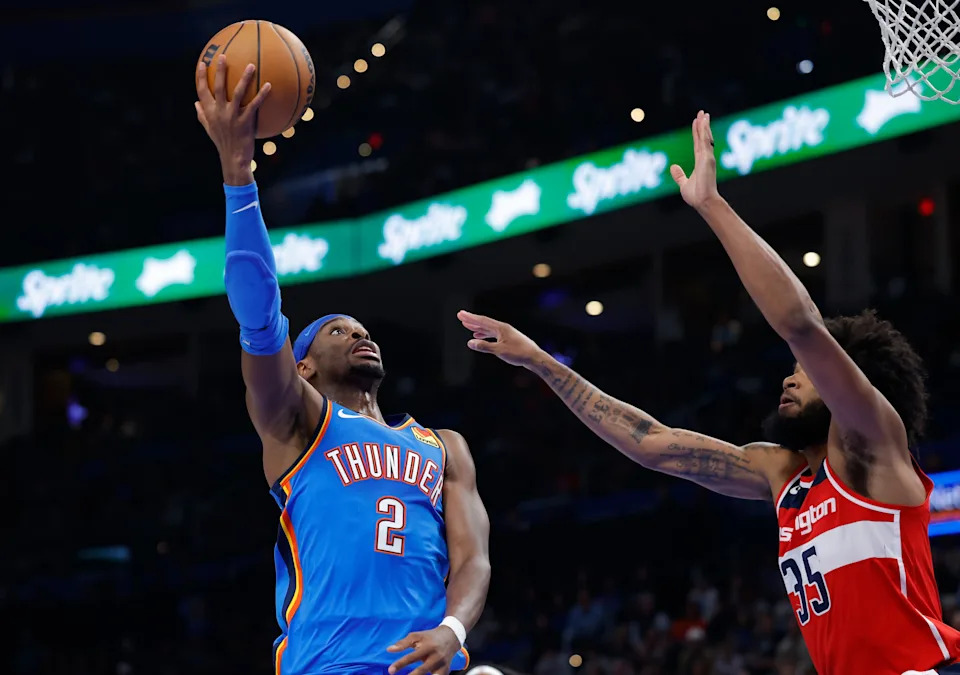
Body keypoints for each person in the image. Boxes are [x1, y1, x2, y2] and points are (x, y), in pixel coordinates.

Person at [457, 111, 960, 674]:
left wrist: (711, 206)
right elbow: (653, 443)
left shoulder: (873, 444)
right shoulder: (783, 475)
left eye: (807, 371)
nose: (789, 377)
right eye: (791, 369)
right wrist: (539, 361)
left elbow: (802, 325)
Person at [194, 56, 490, 675]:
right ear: (302, 366)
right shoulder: (298, 422)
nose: (358, 333)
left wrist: (453, 629)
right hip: (329, 663)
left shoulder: (445, 447)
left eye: (363, 329)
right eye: (336, 330)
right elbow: (259, 313)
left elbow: (472, 561)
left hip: (430, 662)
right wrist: (238, 175)